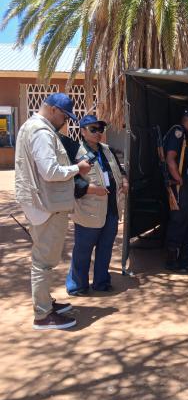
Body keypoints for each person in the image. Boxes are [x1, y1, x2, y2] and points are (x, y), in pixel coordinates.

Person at [15, 93, 92, 330]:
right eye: (64, 116)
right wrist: (77, 168)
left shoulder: (32, 127)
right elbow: (49, 171)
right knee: (43, 262)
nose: (65, 121)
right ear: (52, 109)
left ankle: (46, 303)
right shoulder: (41, 132)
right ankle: (43, 315)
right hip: (46, 207)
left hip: (42, 204)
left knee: (44, 258)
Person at [66, 115, 128, 296]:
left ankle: (101, 282)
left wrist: (124, 180)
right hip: (89, 211)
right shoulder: (75, 153)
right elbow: (69, 182)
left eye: (100, 129)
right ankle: (77, 285)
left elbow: (120, 169)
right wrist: (91, 189)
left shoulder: (107, 150)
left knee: (105, 248)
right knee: (83, 250)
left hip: (112, 208)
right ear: (83, 131)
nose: (98, 133)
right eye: (93, 129)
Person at [164, 108, 188, 272]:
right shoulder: (178, 132)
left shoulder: (186, 136)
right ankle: (172, 260)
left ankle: (185, 258)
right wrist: (179, 179)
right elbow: (170, 158)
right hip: (179, 182)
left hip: (185, 181)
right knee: (179, 220)